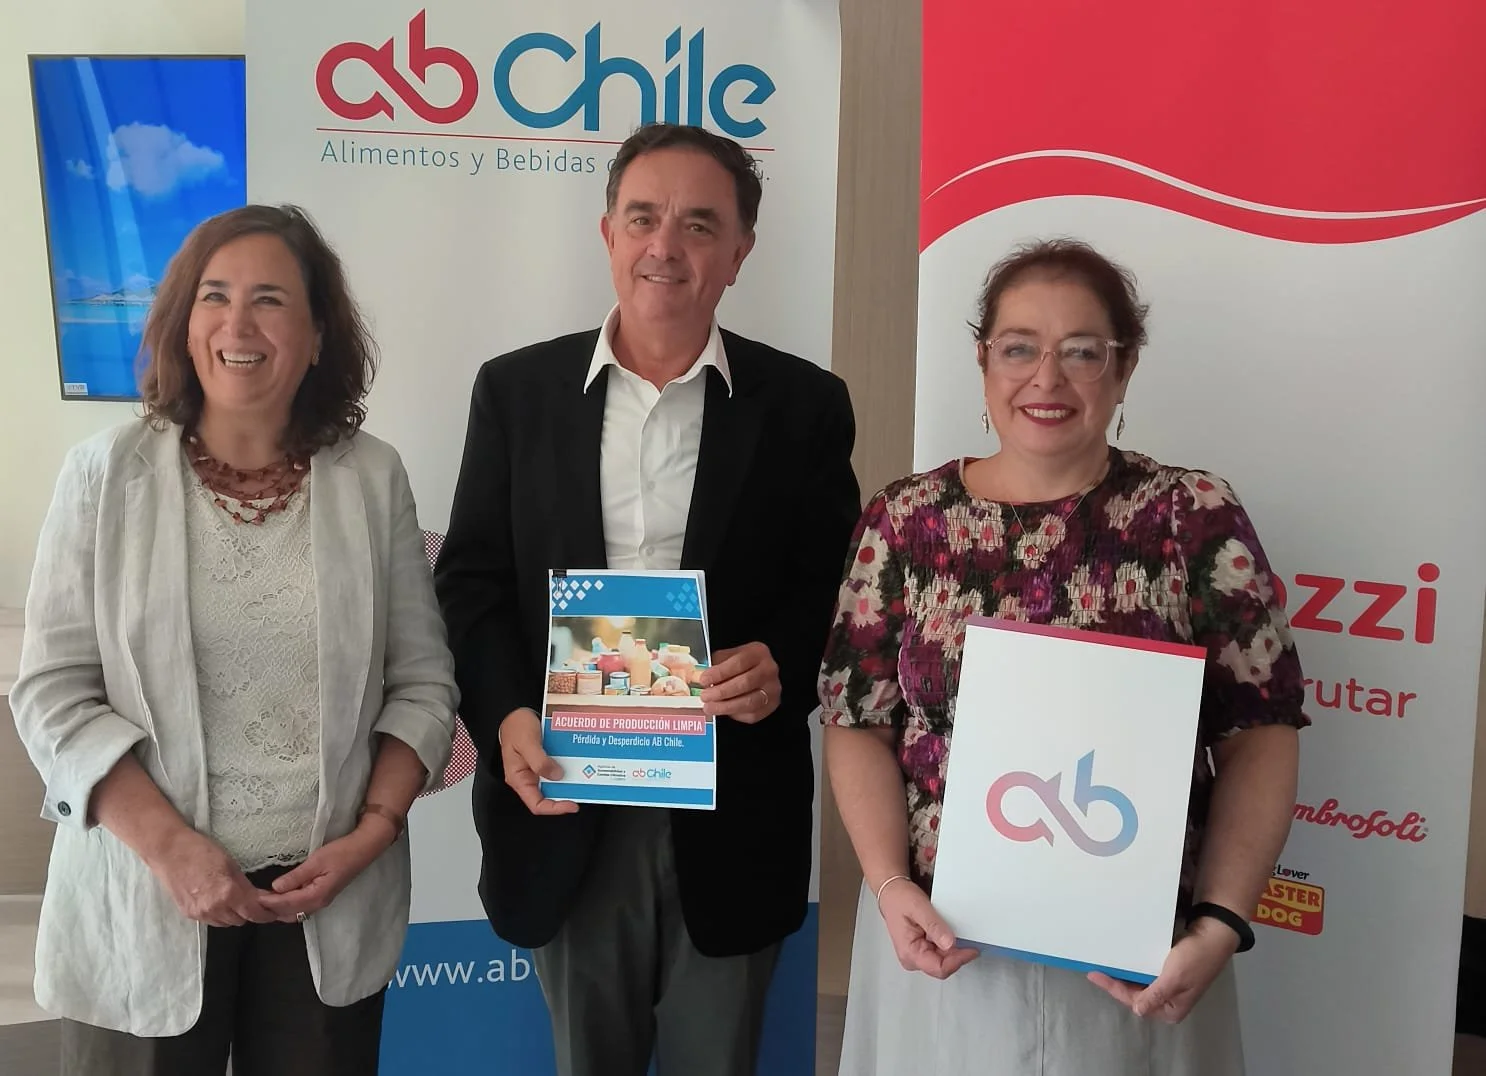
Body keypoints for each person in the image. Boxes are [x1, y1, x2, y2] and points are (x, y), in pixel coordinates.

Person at [818, 238, 1307, 1075]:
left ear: (1124, 369)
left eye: (1082, 351)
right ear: (983, 362)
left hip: (1140, 960)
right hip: (938, 940)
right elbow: (857, 721)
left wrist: (1223, 920)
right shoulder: (904, 520)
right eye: (1019, 348)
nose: (1046, 378)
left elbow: (1259, 732)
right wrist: (890, 886)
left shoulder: (1191, 517)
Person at [434, 121, 860, 1076]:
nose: (666, 245)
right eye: (643, 218)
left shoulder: (804, 405)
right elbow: (470, 582)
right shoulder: (517, 392)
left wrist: (782, 661)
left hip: (731, 805)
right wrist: (505, 716)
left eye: (700, 224)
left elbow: (833, 588)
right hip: (565, 797)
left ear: (740, 253)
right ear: (609, 234)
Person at [11, 204, 458, 1076]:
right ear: (184, 324)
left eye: (270, 300)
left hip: (326, 900)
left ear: (318, 335)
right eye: (214, 297)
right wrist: (172, 850)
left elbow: (423, 685)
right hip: (145, 891)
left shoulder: (372, 478)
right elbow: (53, 693)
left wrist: (373, 831)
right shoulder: (104, 475)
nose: (238, 325)